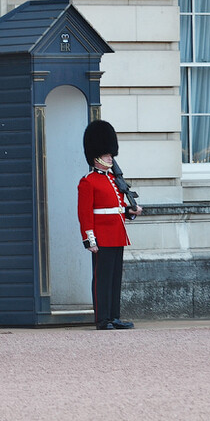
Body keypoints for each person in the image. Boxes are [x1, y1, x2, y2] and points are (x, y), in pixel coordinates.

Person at [78, 119, 143, 331]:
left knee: (115, 278)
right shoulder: (88, 181)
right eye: (107, 155)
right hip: (102, 237)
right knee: (102, 279)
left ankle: (114, 316)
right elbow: (85, 214)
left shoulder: (114, 180)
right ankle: (102, 319)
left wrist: (130, 211)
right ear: (97, 158)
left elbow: (115, 208)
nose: (110, 158)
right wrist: (89, 239)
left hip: (116, 234)